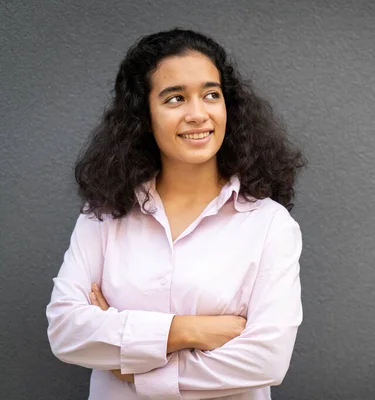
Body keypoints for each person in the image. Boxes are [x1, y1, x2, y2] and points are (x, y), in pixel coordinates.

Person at [46, 28, 305, 400]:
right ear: (144, 116)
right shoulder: (103, 215)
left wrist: (131, 365)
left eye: (211, 95)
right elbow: (65, 331)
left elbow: (266, 361)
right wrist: (190, 331)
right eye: (175, 99)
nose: (198, 114)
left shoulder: (269, 224)